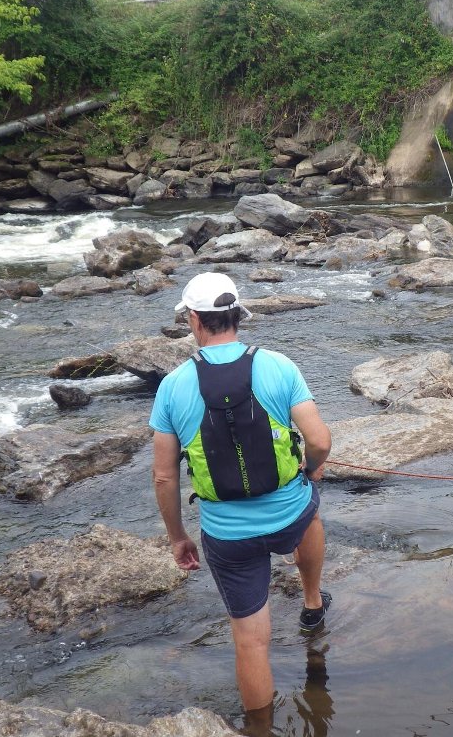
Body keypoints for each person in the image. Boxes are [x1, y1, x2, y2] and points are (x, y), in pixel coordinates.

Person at [150, 271, 333, 716]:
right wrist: (308, 468)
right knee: (309, 509)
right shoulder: (279, 365)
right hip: (289, 512)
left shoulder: (172, 386)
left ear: (193, 319)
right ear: (238, 315)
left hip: (228, 535)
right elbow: (321, 441)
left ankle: (259, 729)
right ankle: (312, 602)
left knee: (251, 642)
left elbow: (164, 477)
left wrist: (177, 537)